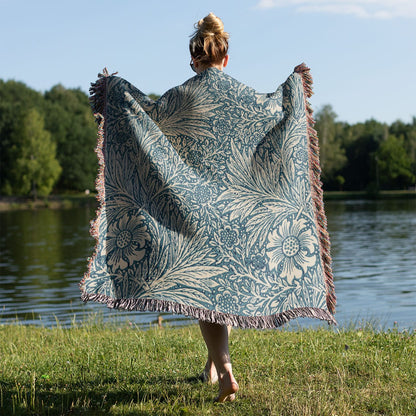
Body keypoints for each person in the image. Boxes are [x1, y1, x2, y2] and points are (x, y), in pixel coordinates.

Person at [188, 12, 239, 403]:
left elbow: (147, 123)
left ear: (194, 59)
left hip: (195, 209)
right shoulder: (242, 95)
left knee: (205, 298)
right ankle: (211, 365)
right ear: (225, 57)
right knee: (222, 288)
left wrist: (115, 92)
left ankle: (225, 372)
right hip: (236, 208)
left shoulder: (181, 96)